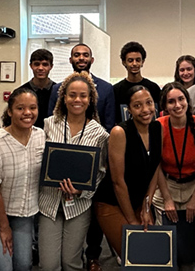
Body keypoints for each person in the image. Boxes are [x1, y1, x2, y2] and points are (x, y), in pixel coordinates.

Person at [38, 72, 110, 271]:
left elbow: (100, 172)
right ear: (64, 97)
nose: (77, 100)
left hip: (79, 206)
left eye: (83, 95)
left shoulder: (100, 134)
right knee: (48, 264)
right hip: (49, 203)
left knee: (71, 262)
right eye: (72, 95)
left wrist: (81, 191)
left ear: (90, 99)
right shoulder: (48, 124)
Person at [0, 87, 44, 271]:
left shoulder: (41, 137)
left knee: (23, 265)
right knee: (3, 267)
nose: (27, 113)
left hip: (22, 210)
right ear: (10, 111)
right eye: (20, 108)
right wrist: (4, 228)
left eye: (32, 108)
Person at [92, 85, 161, 254]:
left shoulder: (157, 128)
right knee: (133, 253)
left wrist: (146, 207)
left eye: (149, 103)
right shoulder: (120, 132)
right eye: (137, 106)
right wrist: (132, 221)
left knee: (147, 254)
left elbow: (155, 168)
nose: (145, 110)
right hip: (112, 202)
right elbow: (117, 182)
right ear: (129, 110)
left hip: (138, 201)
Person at [151, 82, 195, 271]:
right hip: (167, 185)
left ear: (187, 100)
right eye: (171, 102)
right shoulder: (159, 125)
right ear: (164, 106)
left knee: (189, 249)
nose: (177, 105)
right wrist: (167, 198)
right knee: (167, 247)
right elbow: (156, 165)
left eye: (181, 99)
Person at [48, 44, 117, 132]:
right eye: (77, 55)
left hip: (96, 141)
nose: (81, 58)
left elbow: (109, 125)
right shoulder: (57, 89)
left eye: (85, 55)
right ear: (70, 60)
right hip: (63, 141)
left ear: (92, 60)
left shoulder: (106, 89)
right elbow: (52, 121)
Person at [113, 41, 162, 119]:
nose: (134, 63)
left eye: (138, 60)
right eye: (130, 60)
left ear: (143, 62)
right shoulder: (115, 90)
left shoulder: (154, 88)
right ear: (124, 62)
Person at [17, 49, 55, 129]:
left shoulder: (58, 91)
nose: (40, 68)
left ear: (51, 66)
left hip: (53, 135)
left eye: (45, 64)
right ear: (31, 66)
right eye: (37, 64)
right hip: (27, 134)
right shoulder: (20, 92)